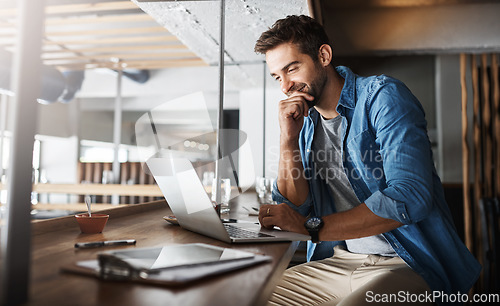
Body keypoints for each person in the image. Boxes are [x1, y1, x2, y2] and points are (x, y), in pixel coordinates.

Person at [254, 15, 481, 306]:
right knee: (252, 296)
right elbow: (294, 207)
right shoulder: (306, 123)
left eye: (292, 68)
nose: (286, 86)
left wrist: (313, 227)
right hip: (339, 261)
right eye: (277, 77)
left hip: (406, 263)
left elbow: (411, 196)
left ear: (323, 56)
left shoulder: (383, 97)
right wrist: (288, 139)